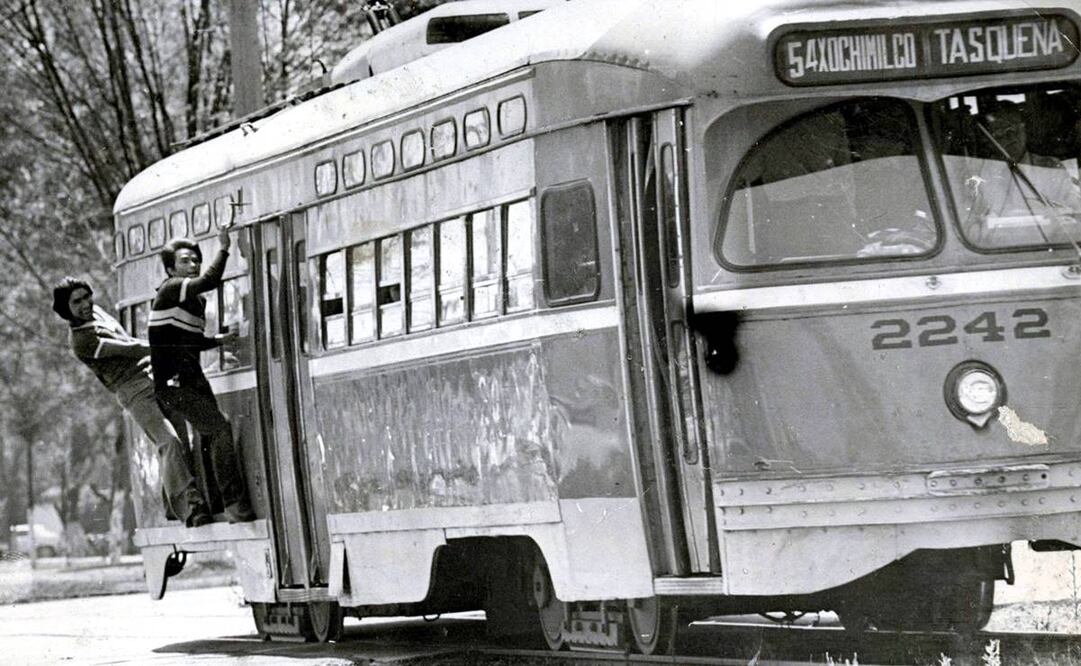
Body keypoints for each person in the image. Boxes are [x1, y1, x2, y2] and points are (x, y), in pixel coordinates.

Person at [52, 277, 213, 527]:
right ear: (65, 309)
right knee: (168, 441)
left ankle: (172, 508)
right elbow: (130, 349)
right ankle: (192, 507)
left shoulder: (96, 312)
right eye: (77, 302)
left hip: (155, 377)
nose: (85, 304)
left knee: (182, 441)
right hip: (133, 390)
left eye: (87, 297)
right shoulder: (82, 340)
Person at [150, 224, 255, 522]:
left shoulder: (194, 302)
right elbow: (210, 280)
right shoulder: (171, 288)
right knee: (219, 428)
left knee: (210, 435)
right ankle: (233, 504)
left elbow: (191, 340)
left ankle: (214, 504)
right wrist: (224, 248)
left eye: (196, 259)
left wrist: (219, 341)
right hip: (173, 384)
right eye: (185, 261)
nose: (193, 264)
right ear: (171, 270)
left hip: (193, 378)